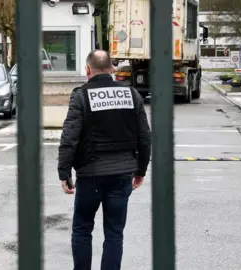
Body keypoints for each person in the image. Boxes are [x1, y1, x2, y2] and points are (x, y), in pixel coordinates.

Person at [57, 49, 151, 270]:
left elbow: (70, 136)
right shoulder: (132, 95)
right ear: (112, 69)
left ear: (87, 69)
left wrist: (64, 172)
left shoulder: (81, 95)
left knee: (82, 229)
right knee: (114, 233)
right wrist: (141, 170)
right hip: (122, 175)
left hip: (90, 176)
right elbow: (145, 137)